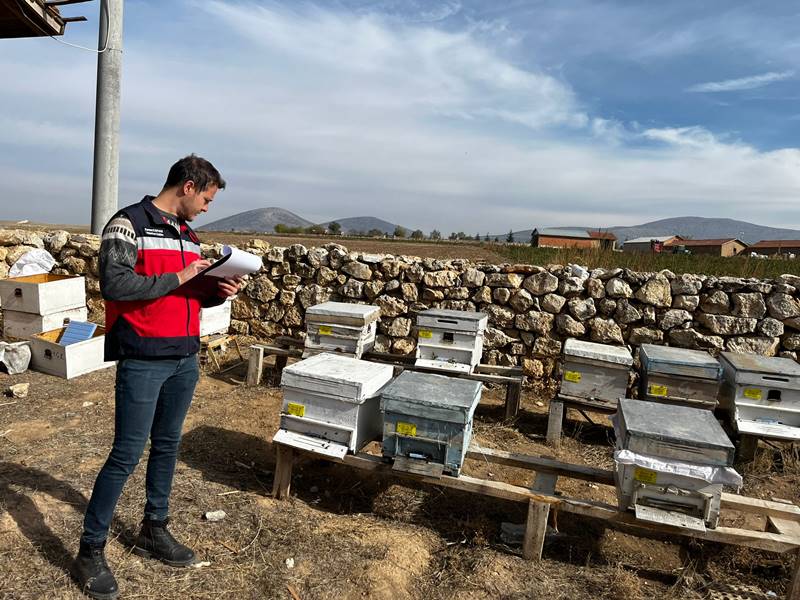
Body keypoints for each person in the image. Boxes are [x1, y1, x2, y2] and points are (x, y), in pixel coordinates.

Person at [73, 155, 241, 600]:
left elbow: (184, 294)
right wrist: (180, 275)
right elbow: (115, 284)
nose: (207, 207)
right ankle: (90, 550)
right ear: (188, 186)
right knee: (126, 454)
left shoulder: (188, 234)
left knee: (169, 445)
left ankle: (154, 528)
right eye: (206, 198)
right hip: (143, 357)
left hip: (185, 356)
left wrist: (215, 290)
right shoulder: (126, 224)